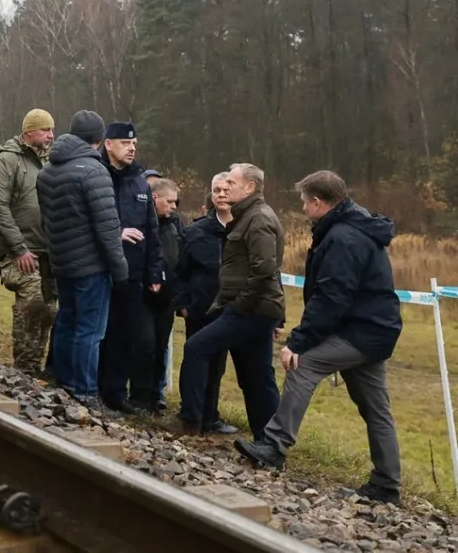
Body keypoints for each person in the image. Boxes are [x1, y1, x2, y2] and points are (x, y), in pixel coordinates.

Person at [234, 170, 403, 505]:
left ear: (317, 202)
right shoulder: (351, 228)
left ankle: (273, 446)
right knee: (376, 409)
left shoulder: (343, 238)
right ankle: (386, 484)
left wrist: (298, 341)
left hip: (361, 330)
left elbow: (332, 297)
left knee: (302, 364)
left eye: (303, 201)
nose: (302, 207)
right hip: (373, 328)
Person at [173, 162, 283, 438]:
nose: (225, 189)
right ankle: (268, 440)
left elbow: (265, 270)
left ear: (250, 188)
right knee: (257, 376)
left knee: (197, 347)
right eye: (221, 186)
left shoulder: (258, 218)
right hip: (252, 307)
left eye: (232, 183)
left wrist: (239, 304)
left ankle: (190, 424)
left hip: (250, 309)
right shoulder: (246, 216)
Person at [37, 110, 128, 411]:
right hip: (91, 265)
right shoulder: (93, 171)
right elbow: (107, 227)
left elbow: (46, 221)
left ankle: (63, 381)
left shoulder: (47, 171)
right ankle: (86, 392)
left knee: (67, 322)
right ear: (99, 139)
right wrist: (120, 268)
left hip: (62, 261)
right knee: (90, 331)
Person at [0, 109, 59, 376]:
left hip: (47, 251)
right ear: (29, 131)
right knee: (32, 302)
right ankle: (24, 369)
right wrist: (18, 248)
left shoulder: (50, 162)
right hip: (19, 250)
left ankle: (35, 368)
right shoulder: (7, 160)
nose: (51, 135)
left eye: (52, 130)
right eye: (45, 130)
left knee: (50, 309)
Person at [98, 121, 163, 415]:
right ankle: (90, 387)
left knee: (126, 335)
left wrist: (153, 272)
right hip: (101, 269)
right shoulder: (98, 175)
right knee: (100, 331)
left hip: (133, 273)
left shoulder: (139, 181)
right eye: (125, 143)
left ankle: (115, 393)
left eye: (134, 144)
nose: (132, 148)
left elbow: (152, 228)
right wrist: (116, 234)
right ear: (108, 144)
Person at [172, 174, 240, 435]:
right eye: (216, 190)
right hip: (200, 308)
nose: (221, 194)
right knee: (195, 362)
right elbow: (180, 271)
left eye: (226, 189)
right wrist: (183, 304)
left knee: (217, 367)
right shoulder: (195, 232)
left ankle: (210, 417)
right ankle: (191, 417)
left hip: (231, 310)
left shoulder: (245, 230)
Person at [131, 177, 184, 412]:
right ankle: (139, 396)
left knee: (161, 346)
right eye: (170, 201)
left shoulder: (174, 225)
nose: (174, 206)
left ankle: (155, 394)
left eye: (176, 202)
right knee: (145, 345)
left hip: (167, 299)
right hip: (144, 296)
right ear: (155, 198)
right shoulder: (140, 224)